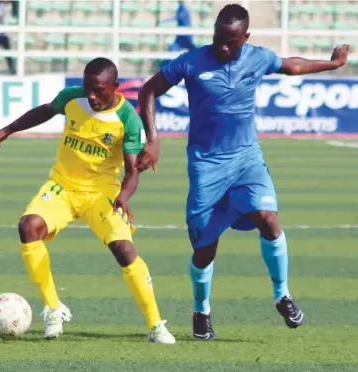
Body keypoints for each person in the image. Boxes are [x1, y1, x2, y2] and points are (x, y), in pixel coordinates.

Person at [137, 4, 350, 340]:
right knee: (205, 247)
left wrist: (333, 63)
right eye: (219, 38)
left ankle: (283, 295)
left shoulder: (257, 57)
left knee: (268, 218)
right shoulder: (191, 62)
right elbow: (149, 90)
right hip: (206, 167)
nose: (223, 46)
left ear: (245, 38)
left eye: (231, 41)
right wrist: (153, 139)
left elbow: (291, 66)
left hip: (247, 159)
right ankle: (201, 310)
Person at [0, 57, 176, 344]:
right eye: (88, 88)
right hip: (62, 186)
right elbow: (45, 111)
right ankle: (53, 308)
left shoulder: (128, 119)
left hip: (102, 192)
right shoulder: (73, 98)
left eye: (98, 90)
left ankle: (155, 325)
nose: (91, 96)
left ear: (115, 87)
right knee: (29, 227)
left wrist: (124, 196)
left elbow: (132, 170)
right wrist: (6, 131)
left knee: (124, 249)